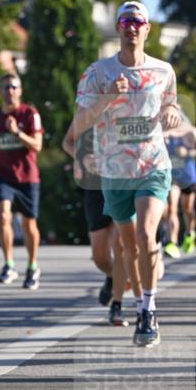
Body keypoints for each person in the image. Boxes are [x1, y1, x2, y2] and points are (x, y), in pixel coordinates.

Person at [74, 0, 181, 347]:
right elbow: (79, 125)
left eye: (138, 21)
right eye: (125, 21)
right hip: (114, 172)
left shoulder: (163, 70)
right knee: (129, 246)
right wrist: (107, 98)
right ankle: (138, 303)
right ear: (119, 28)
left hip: (152, 165)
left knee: (146, 235)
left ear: (148, 29)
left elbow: (170, 104)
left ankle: (148, 309)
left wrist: (172, 114)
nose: (132, 27)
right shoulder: (97, 73)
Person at [62, 120, 131, 326]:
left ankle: (117, 305)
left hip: (121, 184)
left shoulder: (127, 107)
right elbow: (67, 142)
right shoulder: (87, 110)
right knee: (100, 257)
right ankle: (113, 278)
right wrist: (82, 157)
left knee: (118, 246)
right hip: (95, 188)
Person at [0, 73, 43, 289]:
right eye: (6, 87)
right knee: (3, 215)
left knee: (29, 224)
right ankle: (9, 264)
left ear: (20, 90)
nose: (10, 91)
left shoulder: (29, 114)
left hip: (27, 176)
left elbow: (37, 145)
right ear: (0, 91)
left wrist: (17, 131)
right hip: (3, 176)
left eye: (14, 87)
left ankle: (33, 266)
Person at [162, 115, 196, 257]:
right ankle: (172, 242)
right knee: (172, 208)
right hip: (171, 175)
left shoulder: (190, 131)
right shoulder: (163, 132)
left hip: (188, 176)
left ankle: (189, 233)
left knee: (187, 209)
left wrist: (187, 152)